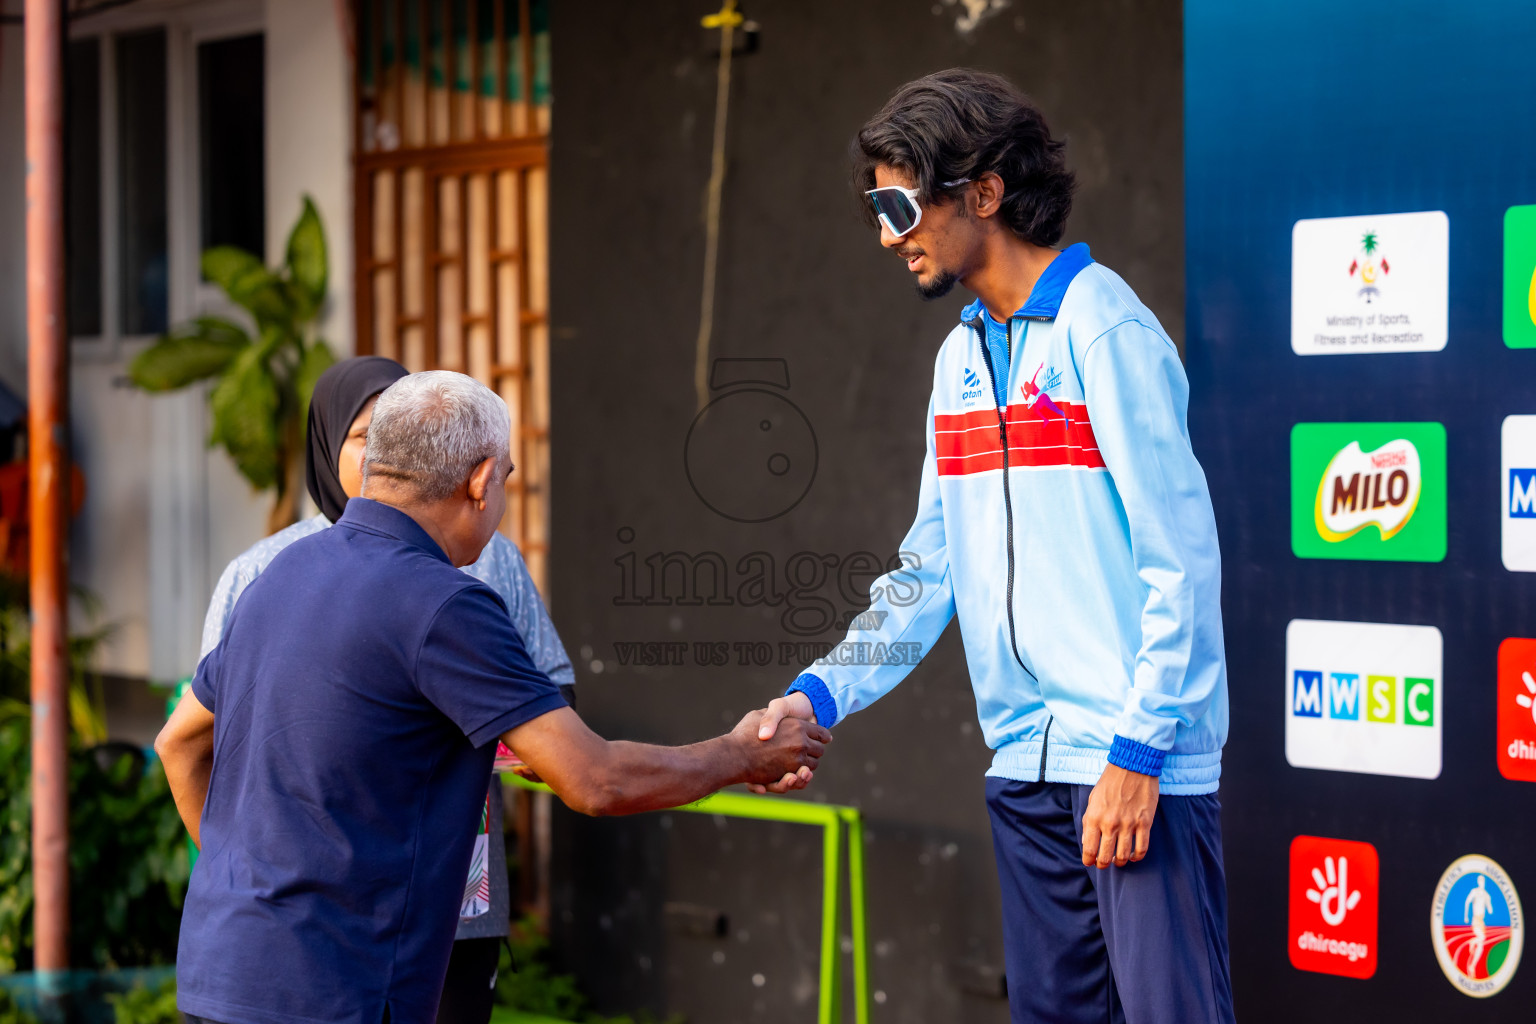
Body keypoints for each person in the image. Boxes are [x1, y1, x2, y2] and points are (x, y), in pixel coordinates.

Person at [755, 70, 1232, 1024]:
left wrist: (1138, 753)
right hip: (1025, 769)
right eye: (874, 209)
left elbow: (1182, 563)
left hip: (1132, 768)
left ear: (983, 192)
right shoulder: (959, 358)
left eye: (900, 203)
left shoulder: (1108, 330)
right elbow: (930, 569)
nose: (890, 235)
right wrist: (816, 695)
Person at [157, 370, 830, 1024]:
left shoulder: (277, 573)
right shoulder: (444, 603)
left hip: (221, 970)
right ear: (480, 481)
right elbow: (594, 780)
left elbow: (178, 743)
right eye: (505, 477)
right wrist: (742, 755)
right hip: (341, 990)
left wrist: (244, 880)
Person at [195, 356, 575, 1024]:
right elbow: (212, 740)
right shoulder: (264, 570)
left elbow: (552, 710)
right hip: (334, 936)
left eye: (397, 432)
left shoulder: (488, 561)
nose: (385, 451)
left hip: (451, 896)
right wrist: (253, 874)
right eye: (367, 435)